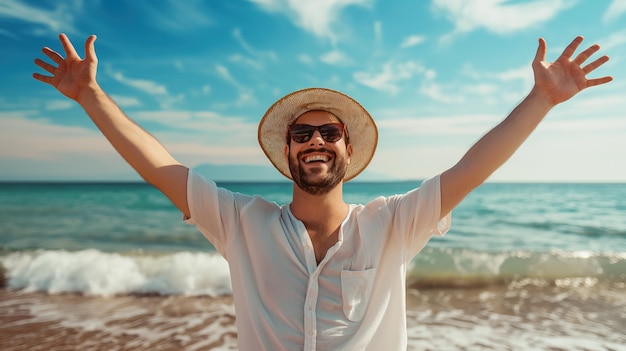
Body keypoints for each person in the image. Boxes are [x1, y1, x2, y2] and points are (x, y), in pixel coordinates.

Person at [33, 33, 612, 350]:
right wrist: (91, 97)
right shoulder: (240, 222)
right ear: (286, 151)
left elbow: (471, 168)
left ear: (347, 150)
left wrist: (541, 100)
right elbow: (161, 167)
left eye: (329, 132)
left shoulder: (393, 223)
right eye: (302, 133)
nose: (316, 141)